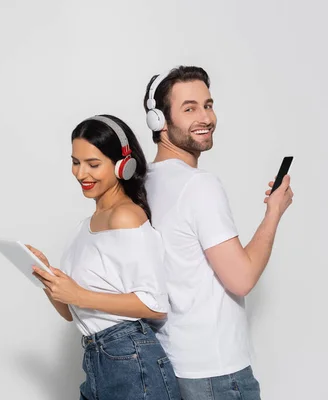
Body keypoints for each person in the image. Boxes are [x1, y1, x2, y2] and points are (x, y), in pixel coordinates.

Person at [141, 66, 294, 399]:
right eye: (190, 108)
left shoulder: (144, 183)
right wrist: (274, 213)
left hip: (171, 364)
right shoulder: (199, 185)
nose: (205, 117)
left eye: (208, 105)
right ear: (159, 120)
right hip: (216, 372)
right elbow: (241, 279)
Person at [27, 114, 181, 400]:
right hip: (98, 359)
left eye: (93, 164)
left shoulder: (126, 216)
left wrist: (78, 295)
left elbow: (155, 304)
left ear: (123, 165)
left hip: (131, 360)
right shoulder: (84, 227)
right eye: (76, 162)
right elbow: (71, 312)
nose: (81, 173)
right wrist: (47, 276)